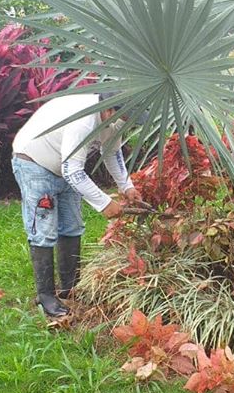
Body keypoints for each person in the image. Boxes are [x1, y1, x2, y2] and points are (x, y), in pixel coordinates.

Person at [11, 92, 141, 318]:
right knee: (44, 231)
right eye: (126, 117)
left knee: (72, 226)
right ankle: (46, 296)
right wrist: (104, 203)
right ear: (109, 110)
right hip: (35, 163)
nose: (127, 123)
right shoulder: (83, 121)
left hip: (66, 167)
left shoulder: (114, 118)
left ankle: (70, 287)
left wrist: (126, 186)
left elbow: (112, 152)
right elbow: (72, 170)